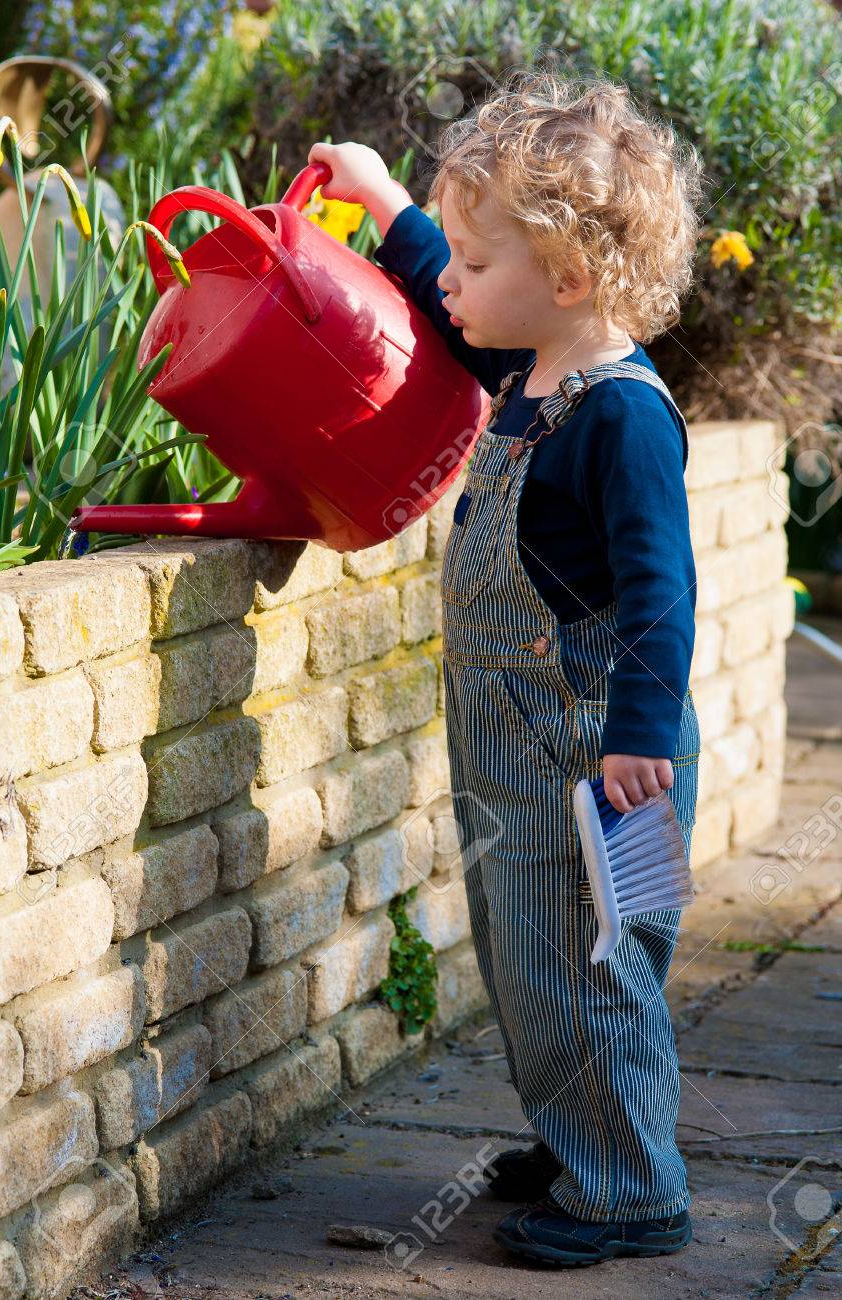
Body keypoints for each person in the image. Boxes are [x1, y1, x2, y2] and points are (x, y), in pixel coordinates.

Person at [308, 65, 704, 1269]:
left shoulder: (618, 415)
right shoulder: (527, 371)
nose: (450, 286)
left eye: (479, 268)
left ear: (568, 278)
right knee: (528, 955)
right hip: (520, 749)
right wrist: (381, 200)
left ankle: (631, 1187)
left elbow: (659, 591)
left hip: (596, 757)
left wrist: (638, 732)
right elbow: (441, 291)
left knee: (590, 966)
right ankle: (579, 1133)